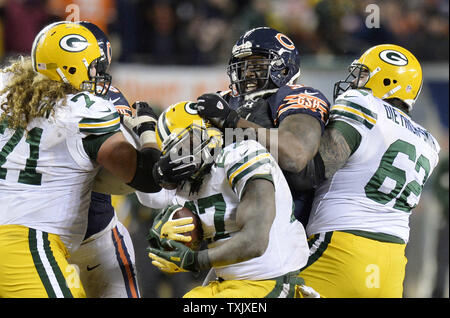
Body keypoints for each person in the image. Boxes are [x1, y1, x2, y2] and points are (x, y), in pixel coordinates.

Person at [0, 21, 162, 298]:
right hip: (30, 237)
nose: (99, 73)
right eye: (93, 65)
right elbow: (148, 178)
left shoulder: (8, 88)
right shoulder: (86, 110)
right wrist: (147, 131)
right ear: (73, 66)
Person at [297, 44, 441, 297]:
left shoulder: (364, 104)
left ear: (388, 80)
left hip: (340, 249)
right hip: (393, 263)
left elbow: (313, 171)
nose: (354, 82)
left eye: (363, 75)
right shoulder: (429, 142)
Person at [145, 100, 319, 298]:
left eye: (186, 143)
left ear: (207, 130)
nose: (181, 157)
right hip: (228, 285)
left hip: (270, 282)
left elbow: (255, 241)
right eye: (175, 152)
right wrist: (168, 240)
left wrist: (194, 260)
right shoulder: (188, 184)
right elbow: (183, 236)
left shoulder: (242, 154)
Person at [194, 27, 330, 227]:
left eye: (256, 64)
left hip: (280, 227)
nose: (247, 72)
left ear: (283, 69)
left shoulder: (293, 95)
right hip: (219, 221)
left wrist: (232, 122)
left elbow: (295, 154)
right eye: (242, 65)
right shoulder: (223, 102)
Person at [64, 21, 141, 299]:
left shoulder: (107, 98)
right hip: (40, 235)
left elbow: (130, 160)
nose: (95, 74)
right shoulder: (28, 99)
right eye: (91, 65)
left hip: (95, 234)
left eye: (98, 66)